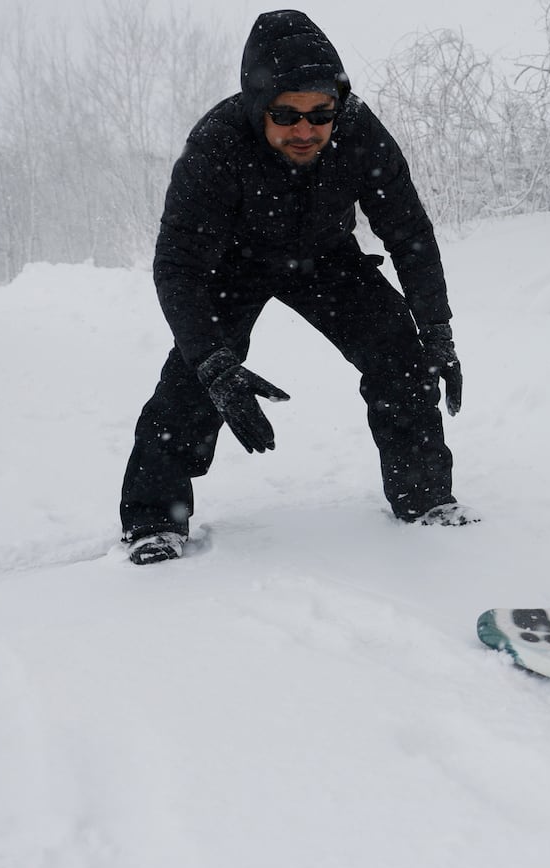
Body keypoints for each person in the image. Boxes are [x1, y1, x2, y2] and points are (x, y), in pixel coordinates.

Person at [119, 9, 477, 565]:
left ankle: (424, 498)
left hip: (325, 258)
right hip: (230, 268)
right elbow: (178, 266)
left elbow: (409, 234)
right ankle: (151, 520)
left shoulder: (359, 132)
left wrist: (437, 329)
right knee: (198, 375)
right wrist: (213, 361)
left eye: (320, 114)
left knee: (402, 354)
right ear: (258, 105)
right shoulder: (217, 145)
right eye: (286, 114)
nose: (306, 130)